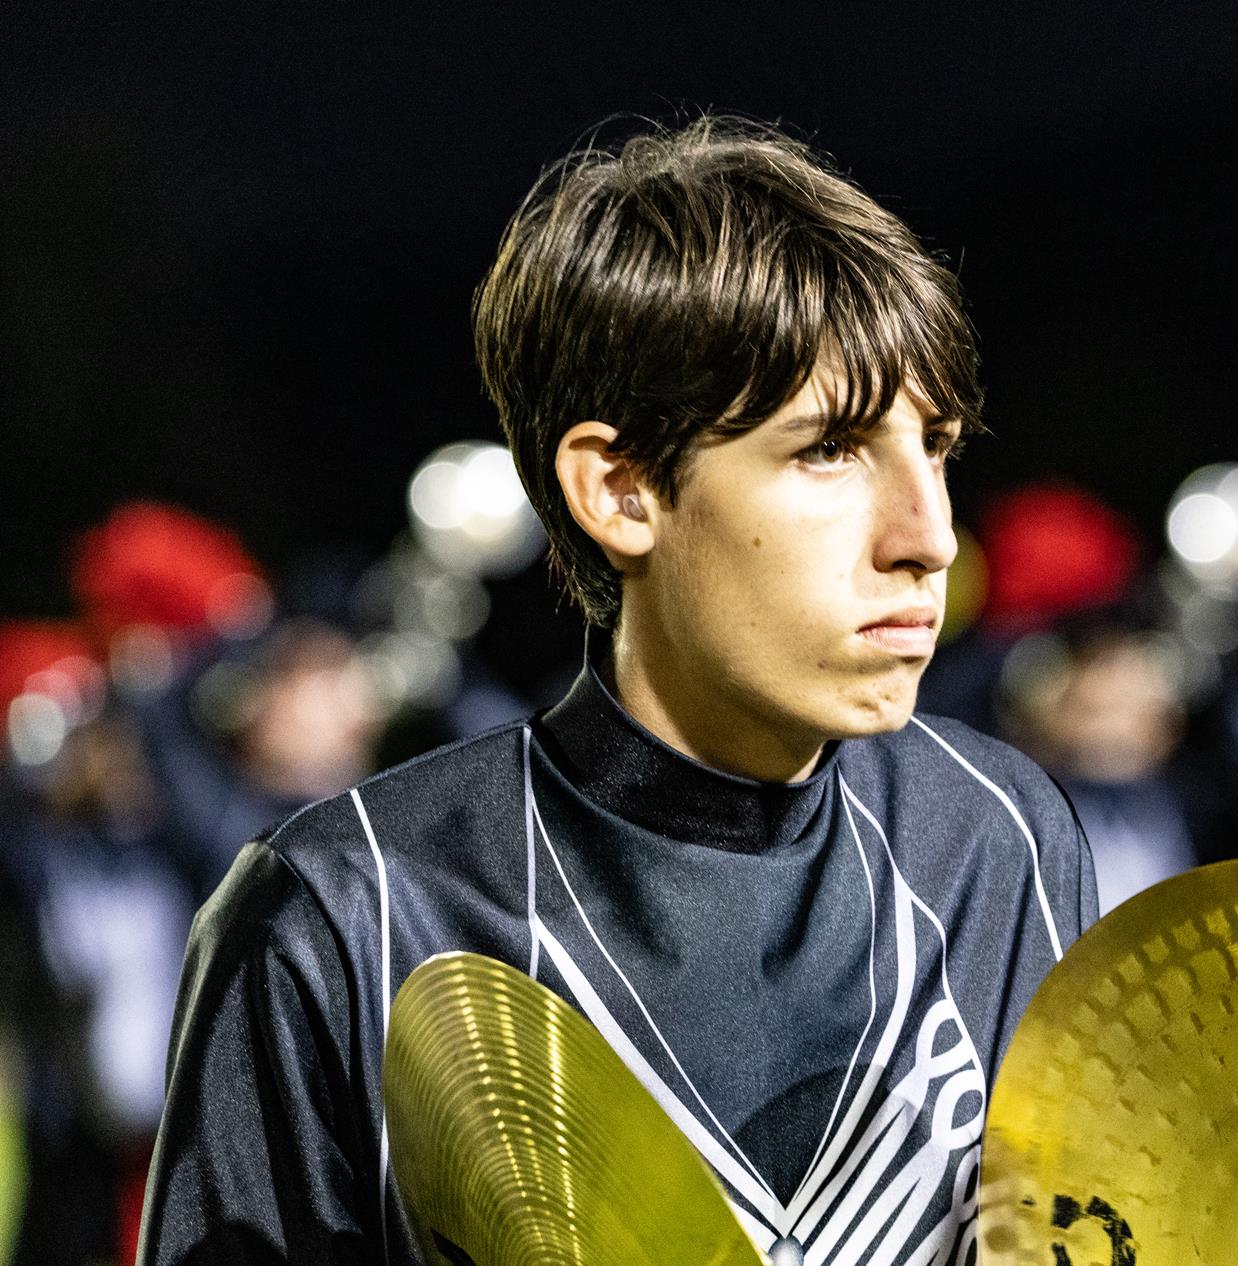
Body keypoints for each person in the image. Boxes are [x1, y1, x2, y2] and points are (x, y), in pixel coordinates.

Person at [135, 117, 1097, 1266]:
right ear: (621, 491)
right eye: (830, 449)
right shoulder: (346, 910)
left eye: (934, 444)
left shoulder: (1000, 835)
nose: (929, 535)